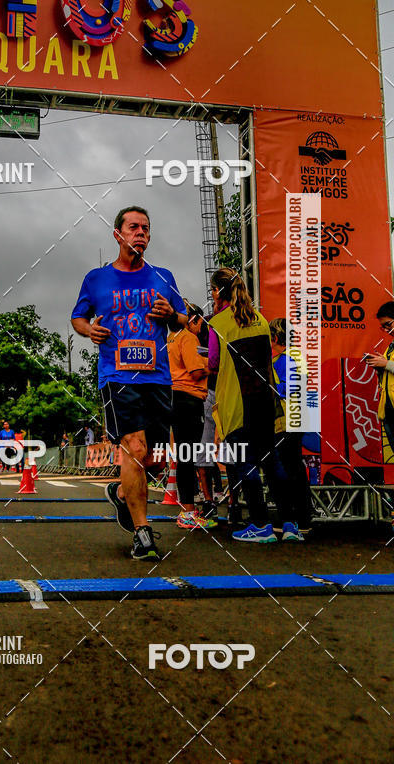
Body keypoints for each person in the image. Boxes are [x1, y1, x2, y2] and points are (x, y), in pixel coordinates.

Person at [71, 205, 188, 561]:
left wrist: (172, 314)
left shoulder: (163, 276)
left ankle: (121, 494)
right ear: (118, 234)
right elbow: (78, 317)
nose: (141, 233)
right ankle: (142, 533)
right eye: (134, 227)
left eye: (146, 229)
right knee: (133, 448)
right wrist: (90, 329)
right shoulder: (96, 278)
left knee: (154, 457)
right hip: (116, 375)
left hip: (158, 375)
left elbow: (183, 318)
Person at [208, 267, 302, 543]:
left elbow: (213, 363)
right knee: (272, 463)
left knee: (245, 463)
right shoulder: (260, 319)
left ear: (217, 291)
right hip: (264, 401)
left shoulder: (219, 323)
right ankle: (289, 524)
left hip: (237, 404)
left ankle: (260, 525)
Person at [168, 301, 217, 529]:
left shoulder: (170, 338)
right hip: (189, 398)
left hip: (175, 398)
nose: (201, 327)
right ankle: (187, 511)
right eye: (200, 322)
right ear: (193, 320)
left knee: (184, 456)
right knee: (188, 457)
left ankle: (188, 509)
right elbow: (197, 372)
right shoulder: (188, 337)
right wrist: (214, 364)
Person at [270, 318, 314, 532]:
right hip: (296, 418)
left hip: (286, 420)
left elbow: (288, 388)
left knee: (287, 469)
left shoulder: (285, 358)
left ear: (276, 338)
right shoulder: (296, 356)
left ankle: (293, 518)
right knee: (294, 468)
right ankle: (302, 518)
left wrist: (267, 385)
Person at [366, 301, 394, 483]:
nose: (386, 330)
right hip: (389, 410)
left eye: (388, 325)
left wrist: (387, 364)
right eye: (383, 327)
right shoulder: (390, 347)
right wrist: (380, 366)